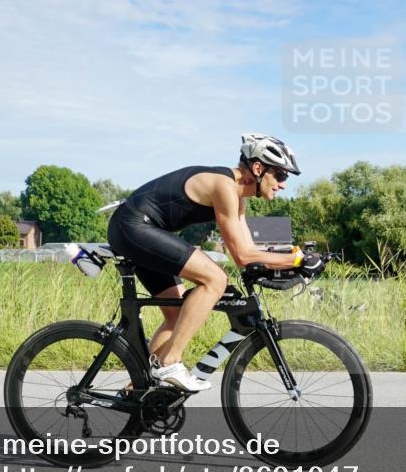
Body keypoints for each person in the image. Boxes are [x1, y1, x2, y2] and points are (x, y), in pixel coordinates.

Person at [106, 133, 324, 392]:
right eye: (280, 175)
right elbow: (242, 255)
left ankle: (139, 391)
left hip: (141, 231)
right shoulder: (224, 186)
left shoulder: (238, 198)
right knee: (215, 279)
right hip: (132, 227)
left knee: (177, 315)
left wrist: (293, 261)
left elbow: (249, 252)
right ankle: (169, 362)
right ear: (258, 168)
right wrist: (296, 259)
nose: (283, 184)